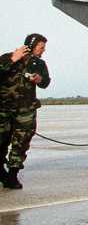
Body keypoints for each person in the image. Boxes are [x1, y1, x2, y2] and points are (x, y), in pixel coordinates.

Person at [0, 33, 51, 189]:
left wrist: (39, 79)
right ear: (31, 45)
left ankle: (13, 175)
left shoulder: (39, 64)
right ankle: (2, 173)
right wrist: (12, 60)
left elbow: (46, 82)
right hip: (3, 109)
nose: (43, 51)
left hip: (26, 110)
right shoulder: (8, 58)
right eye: (41, 47)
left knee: (21, 143)